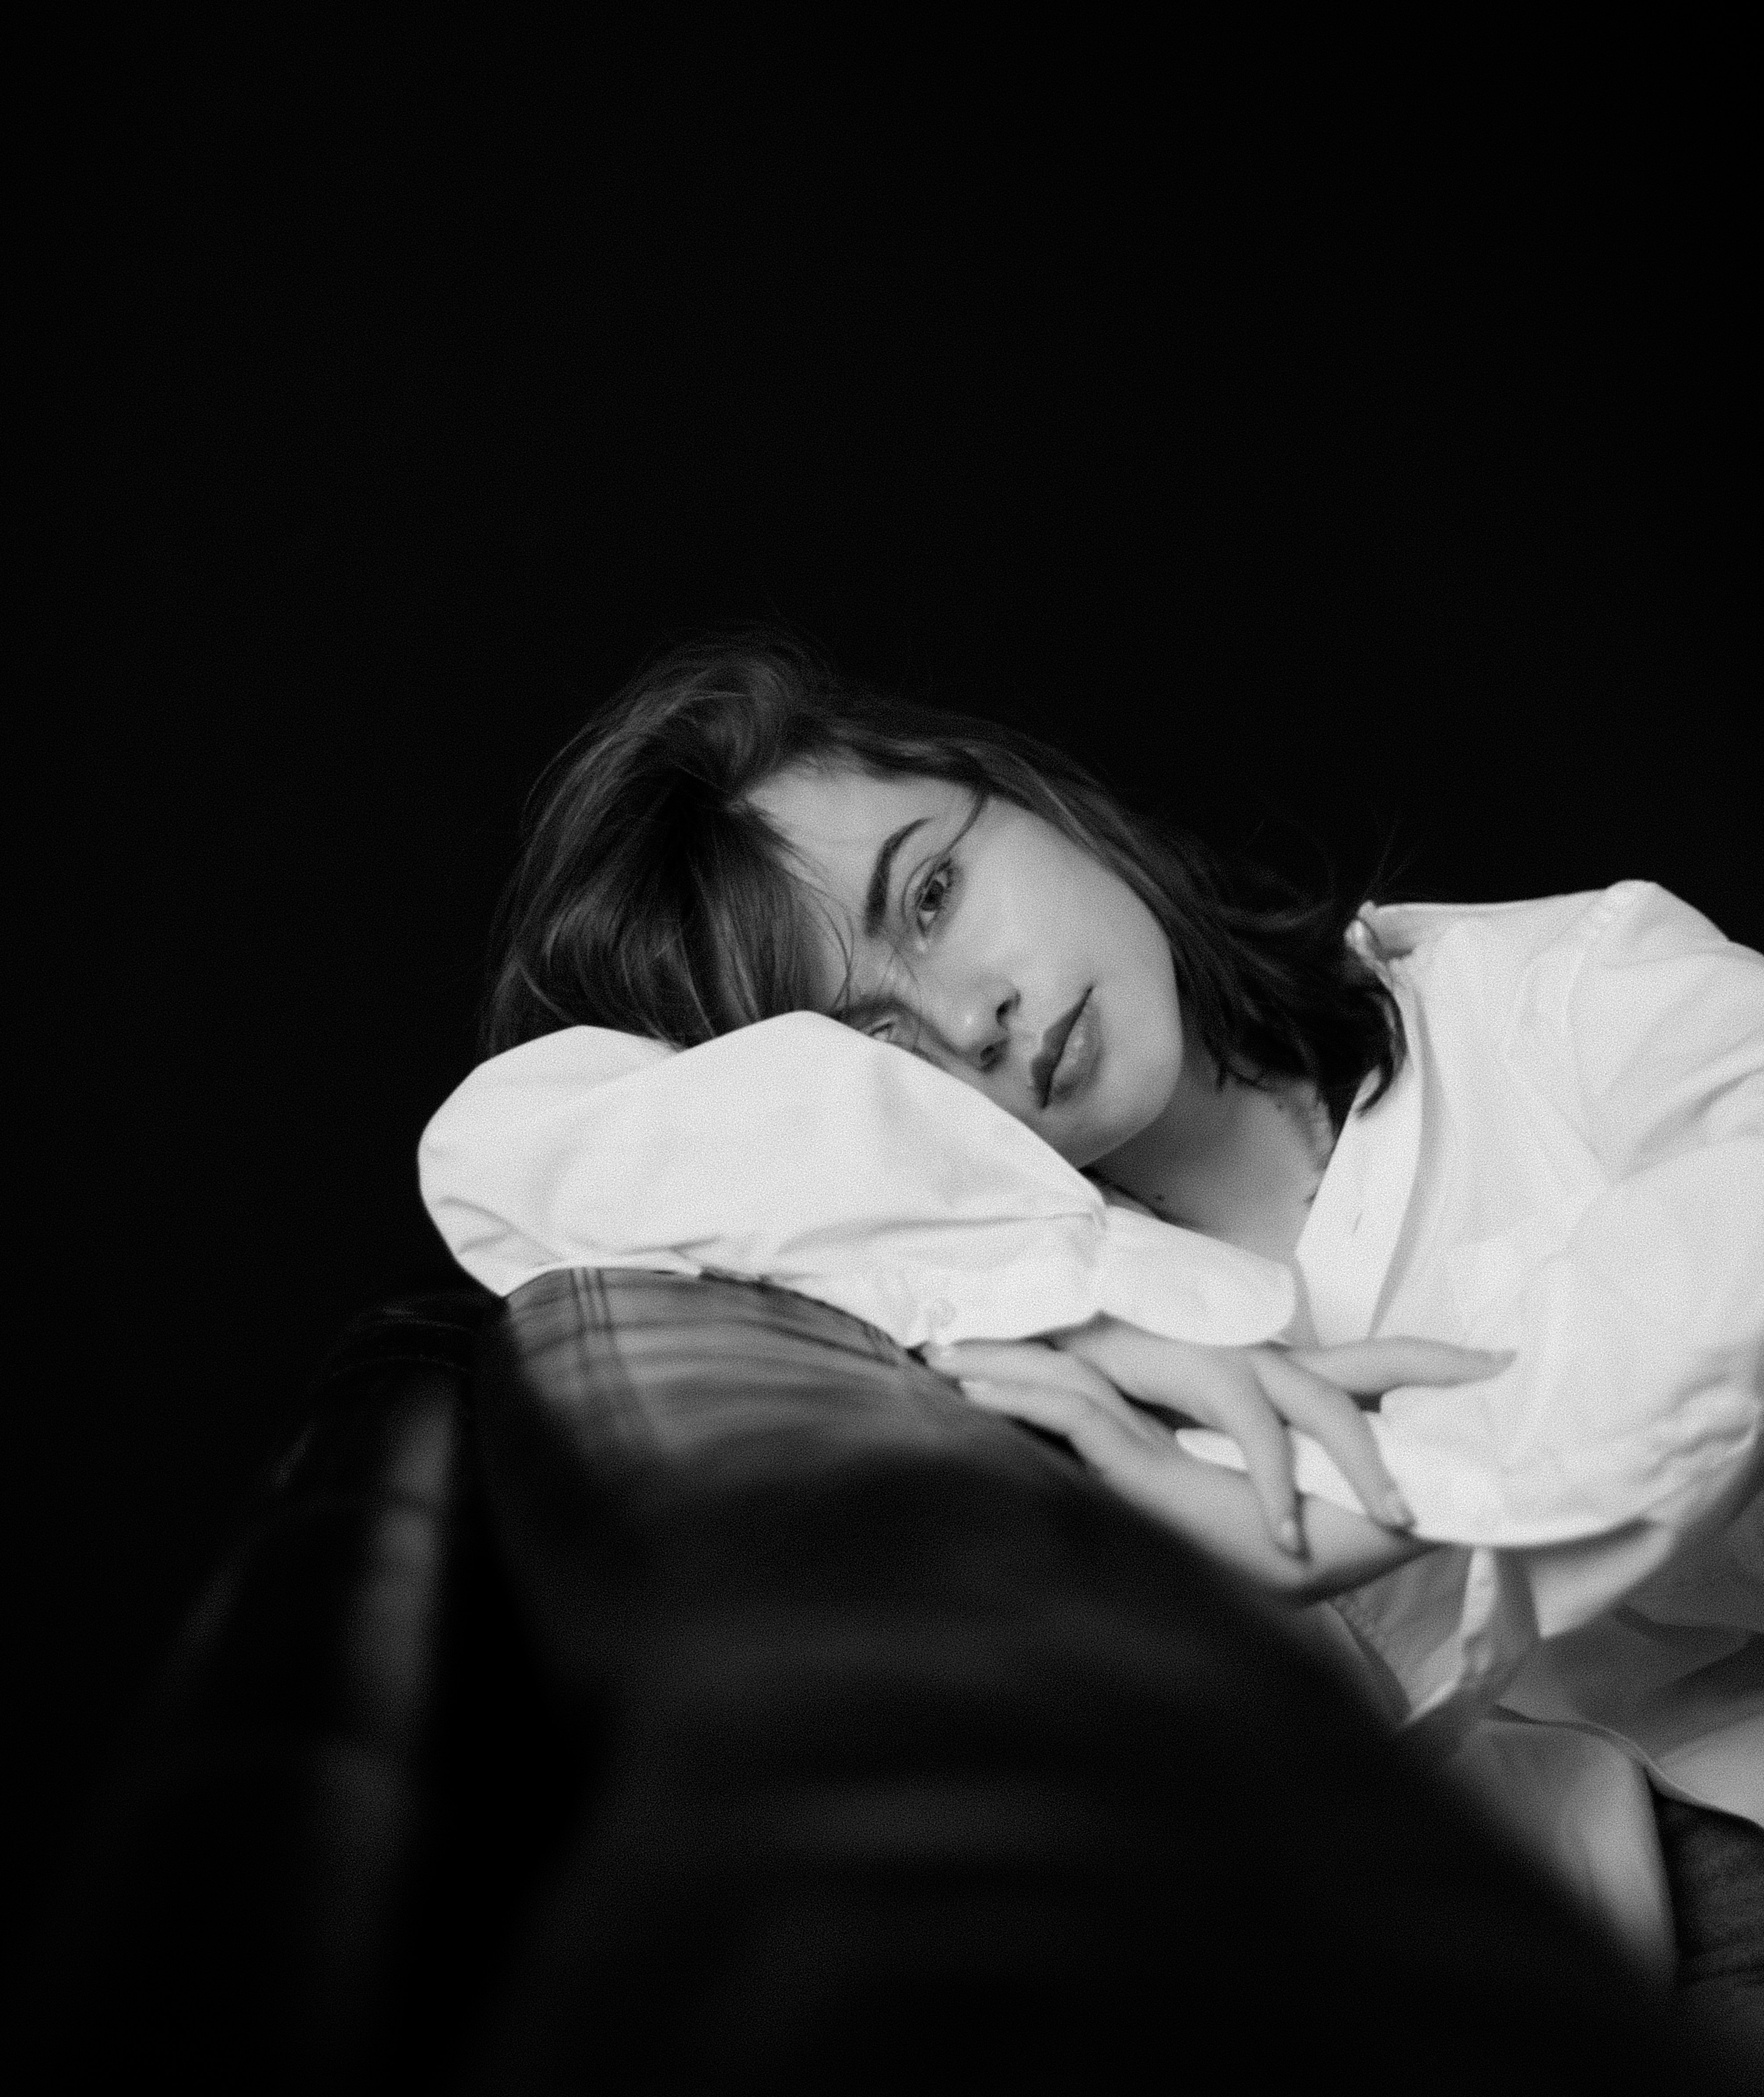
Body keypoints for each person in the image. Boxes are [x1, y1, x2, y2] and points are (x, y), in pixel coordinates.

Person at [419, 630, 1762, 2031]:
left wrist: (1397, 1497)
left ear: (1017, 792)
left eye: (931, 894)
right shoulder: (995, 1319)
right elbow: (506, 1145)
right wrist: (1091, 1308)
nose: (972, 1018)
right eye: (869, 1043)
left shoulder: (1550, 993)